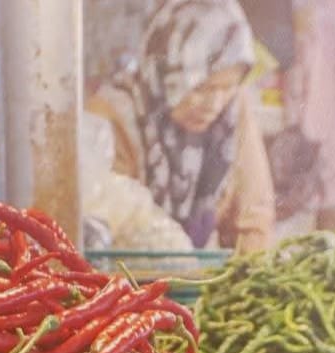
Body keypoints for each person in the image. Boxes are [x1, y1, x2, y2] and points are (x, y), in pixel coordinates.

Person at [87, 0, 276, 252]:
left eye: (227, 87)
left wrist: (249, 282)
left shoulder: (232, 112)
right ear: (166, 70)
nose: (214, 104)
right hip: (126, 280)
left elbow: (253, 216)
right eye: (200, 88)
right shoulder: (113, 112)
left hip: (195, 280)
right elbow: (109, 219)